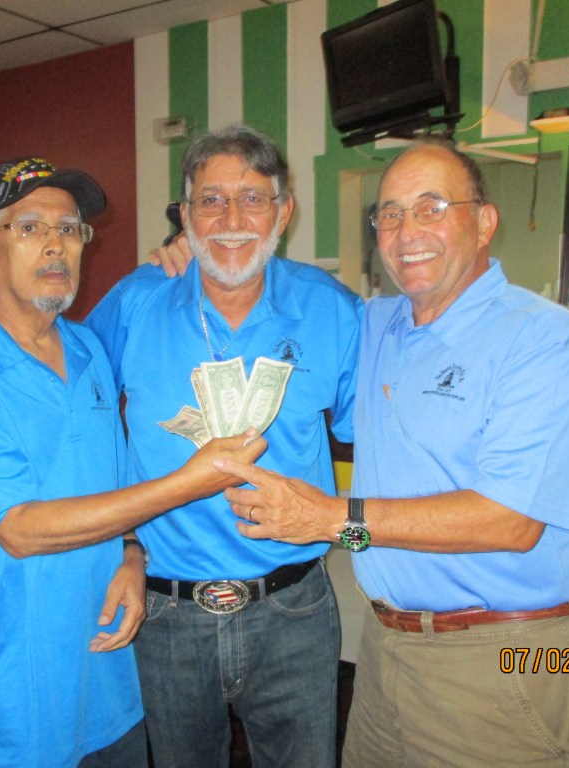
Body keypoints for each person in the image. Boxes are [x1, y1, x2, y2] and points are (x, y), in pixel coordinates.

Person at [216, 139, 569, 767]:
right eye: (390, 214)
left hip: (506, 653)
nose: (407, 232)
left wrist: (330, 517)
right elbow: (284, 296)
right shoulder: (377, 325)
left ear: (484, 222)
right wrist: (190, 260)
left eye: (432, 208)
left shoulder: (539, 337)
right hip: (386, 647)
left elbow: (512, 521)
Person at [0, 156, 264, 768]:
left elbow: (109, 483)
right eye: (29, 227)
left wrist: (133, 554)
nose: (55, 245)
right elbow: (18, 529)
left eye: (69, 229)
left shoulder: (89, 348)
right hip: (1, 699)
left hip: (106, 679)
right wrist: (187, 484)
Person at [84, 124, 363, 768]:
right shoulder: (135, 302)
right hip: (164, 612)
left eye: (253, 199)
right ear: (184, 216)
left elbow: (383, 445)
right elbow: (67, 408)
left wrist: (353, 532)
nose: (231, 220)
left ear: (284, 213)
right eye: (210, 200)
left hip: (294, 609)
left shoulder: (333, 310)